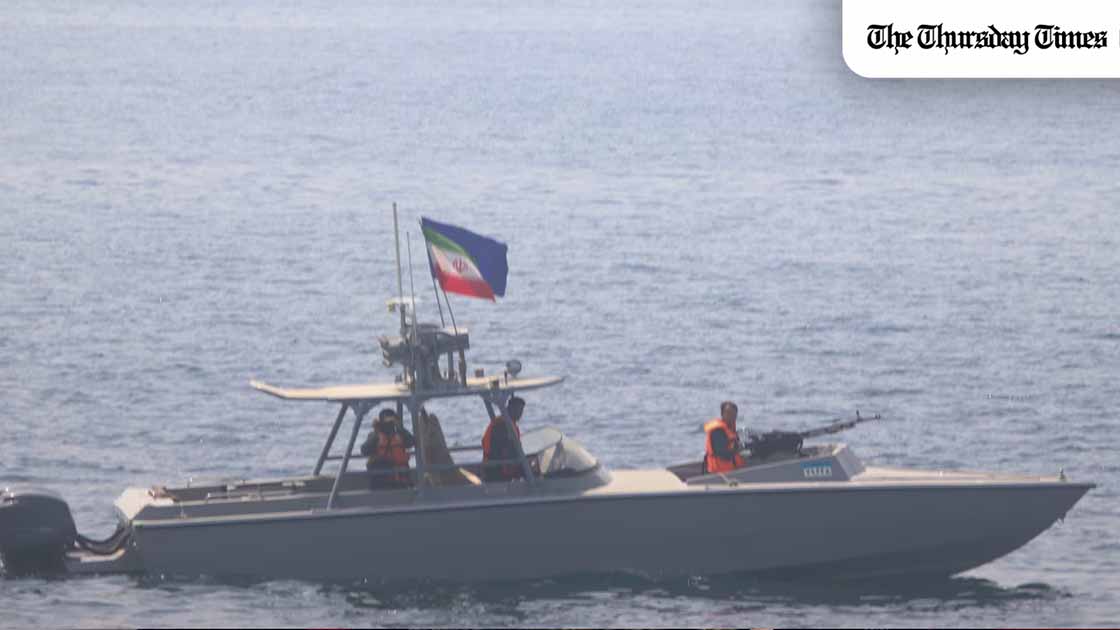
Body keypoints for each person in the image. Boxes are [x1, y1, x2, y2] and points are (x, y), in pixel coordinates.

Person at [360, 408, 415, 489]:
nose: (390, 424)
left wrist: (400, 428)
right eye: (387, 420)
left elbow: (411, 442)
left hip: (400, 479)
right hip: (381, 479)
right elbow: (364, 450)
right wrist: (376, 432)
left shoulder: (400, 435)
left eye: (392, 421)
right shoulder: (375, 435)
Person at [481, 396, 526, 482]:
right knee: (526, 469)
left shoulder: (510, 424)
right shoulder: (501, 426)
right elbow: (503, 451)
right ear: (509, 408)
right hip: (495, 469)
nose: (520, 413)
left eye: (521, 411)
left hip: (502, 466)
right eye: (517, 410)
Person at [703, 401, 746, 474]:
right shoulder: (717, 431)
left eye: (734, 414)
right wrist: (738, 449)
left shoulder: (730, 428)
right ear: (722, 414)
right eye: (728, 413)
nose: (732, 416)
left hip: (731, 470)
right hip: (719, 473)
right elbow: (724, 454)